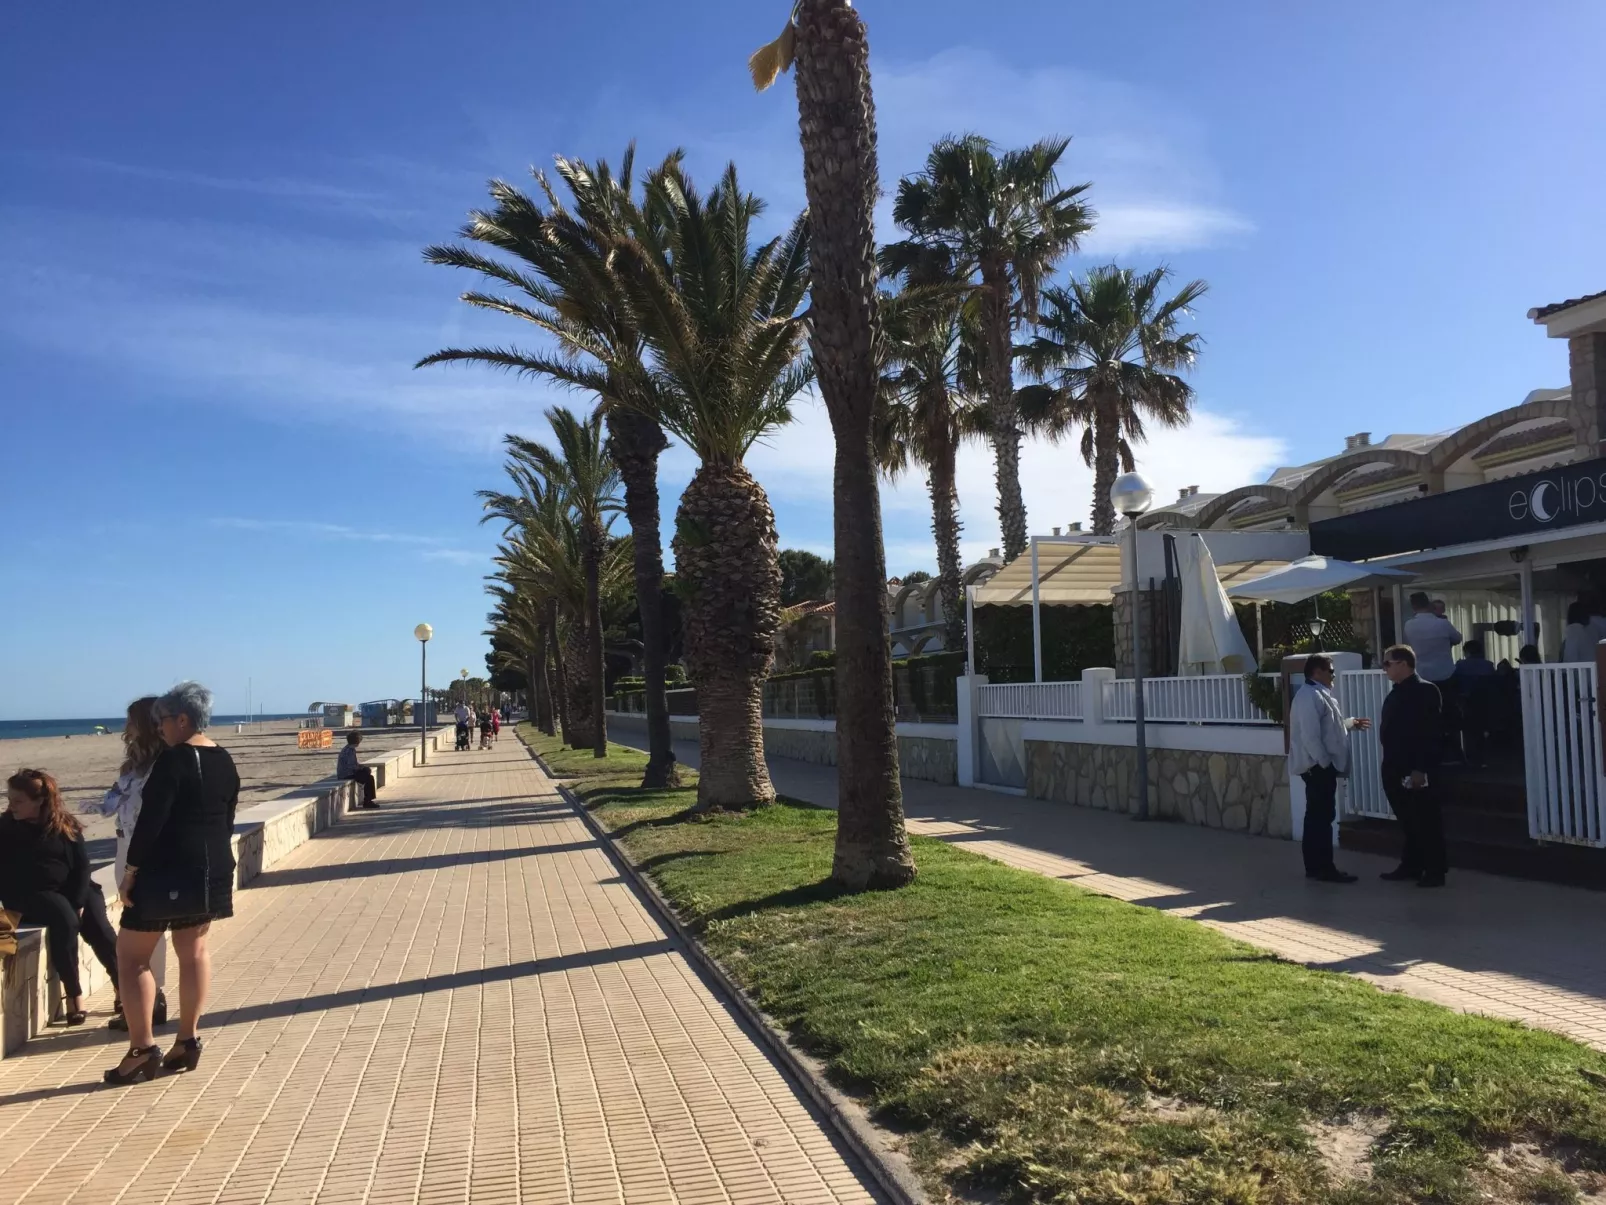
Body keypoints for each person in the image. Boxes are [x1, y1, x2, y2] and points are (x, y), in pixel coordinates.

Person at [105, 682, 241, 1086]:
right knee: (194, 951)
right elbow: (227, 818)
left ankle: (142, 1049)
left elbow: (151, 823)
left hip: (166, 872)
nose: (159, 728)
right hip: (212, 870)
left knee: (131, 959)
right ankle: (187, 1040)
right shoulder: (224, 759)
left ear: (182, 719)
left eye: (162, 720)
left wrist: (131, 873)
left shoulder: (174, 760)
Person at [0, 769, 121, 1025]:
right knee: (64, 919)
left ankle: (123, 988)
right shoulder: (5, 828)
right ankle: (74, 996)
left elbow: (82, 866)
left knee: (97, 924)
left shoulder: (64, 824)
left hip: (72, 888)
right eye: (10, 799)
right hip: (30, 894)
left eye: (18, 800)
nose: (11, 805)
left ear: (40, 800)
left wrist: (78, 901)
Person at [95, 696, 170, 1030]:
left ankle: (150, 1000)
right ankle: (145, 1000)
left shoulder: (165, 764)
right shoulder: (133, 766)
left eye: (131, 721)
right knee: (139, 925)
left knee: (144, 927)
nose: (126, 728)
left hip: (147, 852)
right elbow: (111, 803)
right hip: (124, 845)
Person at [1287, 655, 1371, 883]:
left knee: (1318, 816)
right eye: (1330, 671)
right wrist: (1325, 764)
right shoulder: (1309, 696)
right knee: (1321, 817)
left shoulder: (1318, 695)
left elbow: (1328, 729)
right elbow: (1310, 736)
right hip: (1317, 767)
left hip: (1320, 765)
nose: (1333, 675)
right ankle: (1323, 867)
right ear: (1317, 672)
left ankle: (1317, 866)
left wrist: (1349, 724)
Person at [1379, 645, 1448, 888]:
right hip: (1394, 766)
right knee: (1409, 821)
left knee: (1426, 820)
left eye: (1388, 663)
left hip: (1415, 768)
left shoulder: (1425, 691)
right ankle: (1411, 865)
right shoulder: (1396, 692)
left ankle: (1435, 870)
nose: (1384, 668)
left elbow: (1431, 732)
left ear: (1403, 664)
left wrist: (1421, 767)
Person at [337, 731, 379, 808]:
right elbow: (351, 766)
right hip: (346, 774)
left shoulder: (348, 748)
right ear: (357, 741)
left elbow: (354, 763)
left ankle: (368, 800)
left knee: (368, 774)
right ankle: (367, 801)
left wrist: (361, 767)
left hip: (348, 772)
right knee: (369, 778)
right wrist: (360, 768)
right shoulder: (349, 751)